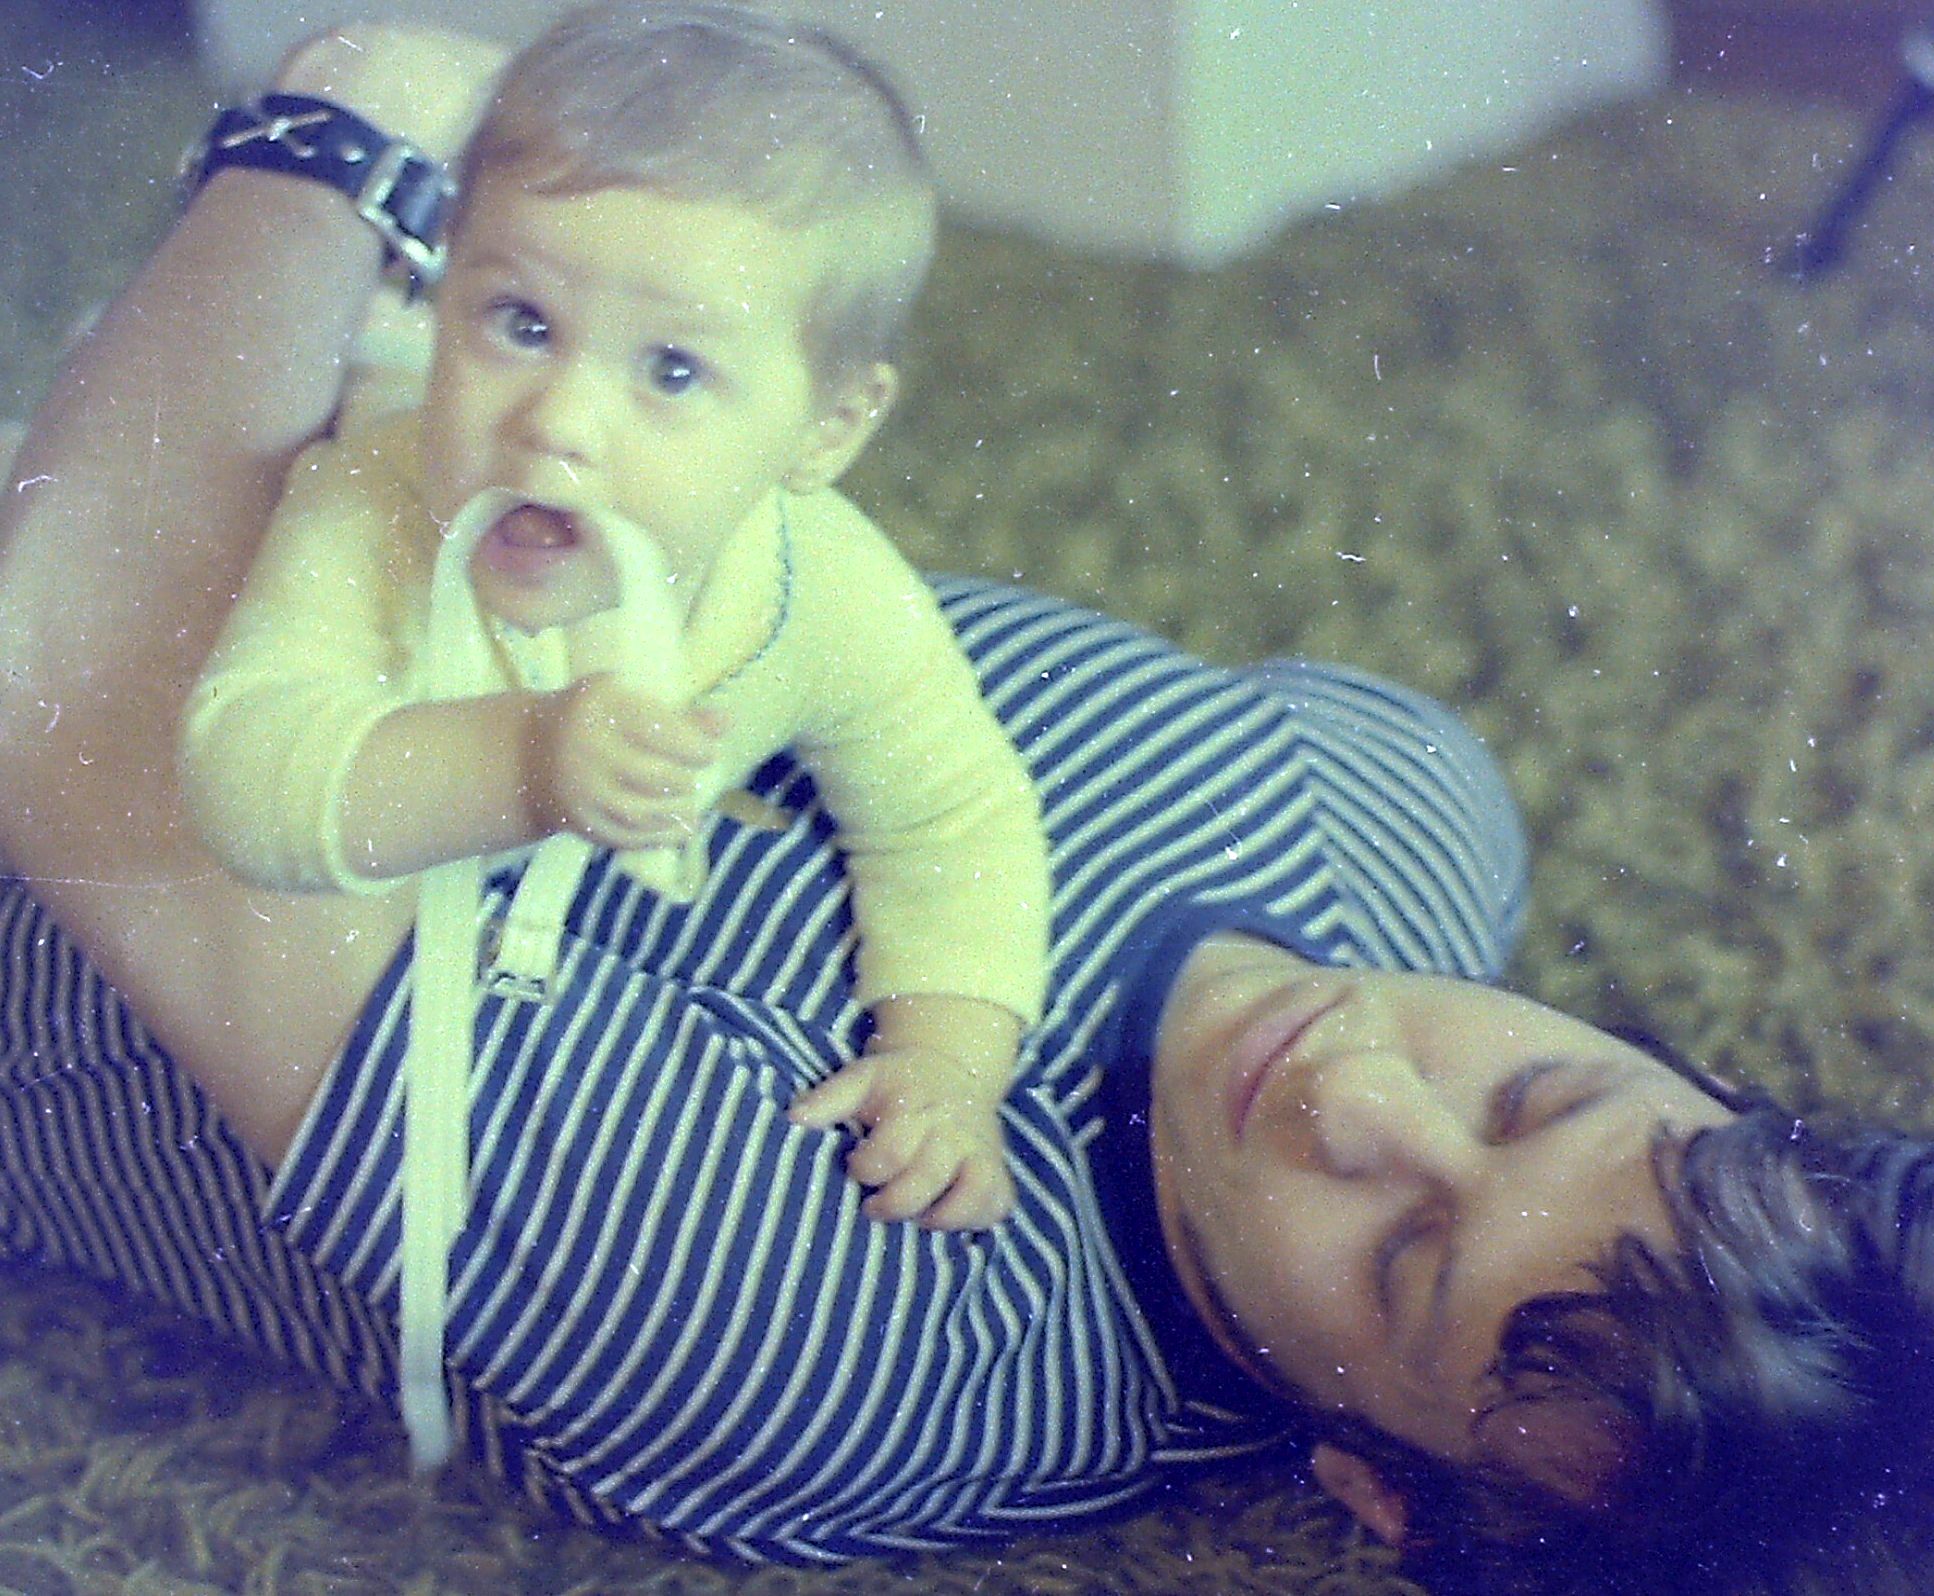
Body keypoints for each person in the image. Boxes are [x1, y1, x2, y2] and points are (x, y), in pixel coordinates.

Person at [0, 18, 1927, 1596]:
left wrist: (343, 129)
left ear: (1372, 1492)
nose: (1355, 1091)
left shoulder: (851, 1331)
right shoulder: (1397, 805)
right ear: (1668, 1064)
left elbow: (71, 714)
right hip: (288, 515)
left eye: (1399, 1262)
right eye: (1531, 1096)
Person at [177, 3, 1049, 1240]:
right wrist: (521, 761)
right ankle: (346, 172)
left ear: (827, 429)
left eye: (671, 371)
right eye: (519, 325)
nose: (557, 422)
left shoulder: (827, 594)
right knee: (151, 517)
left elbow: (954, 818)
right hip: (234, 524)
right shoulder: (371, 503)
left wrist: (947, 1059)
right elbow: (239, 775)